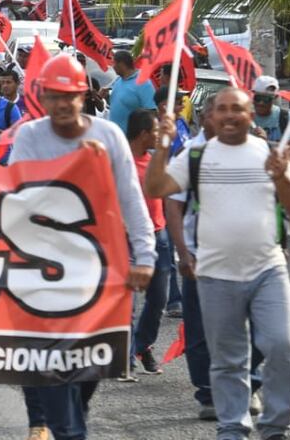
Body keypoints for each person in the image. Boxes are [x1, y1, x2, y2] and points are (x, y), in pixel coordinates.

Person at [147, 88, 290, 440]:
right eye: (223, 109)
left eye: (238, 108)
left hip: (268, 269)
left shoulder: (271, 154)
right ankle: (232, 427)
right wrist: (162, 146)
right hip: (215, 273)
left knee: (282, 345)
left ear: (251, 115)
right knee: (227, 357)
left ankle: (275, 428)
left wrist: (282, 177)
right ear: (210, 116)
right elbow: (157, 187)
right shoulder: (196, 156)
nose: (230, 115)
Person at [10, 55, 156, 440]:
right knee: (53, 370)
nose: (61, 104)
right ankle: (65, 428)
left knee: (90, 365)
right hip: (44, 271)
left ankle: (73, 415)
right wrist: (77, 166)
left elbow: (131, 199)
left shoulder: (109, 136)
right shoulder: (29, 137)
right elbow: (18, 200)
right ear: (42, 97)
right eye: (53, 96)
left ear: (83, 96)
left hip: (99, 270)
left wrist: (145, 256)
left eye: (69, 96)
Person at [125, 108, 169, 378]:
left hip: (159, 236)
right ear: (143, 134)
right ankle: (126, 357)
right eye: (155, 131)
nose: (158, 135)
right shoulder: (120, 162)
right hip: (127, 238)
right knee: (127, 303)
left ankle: (142, 346)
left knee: (159, 299)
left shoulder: (155, 160)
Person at [251, 76, 290, 166]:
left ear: (275, 97)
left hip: (278, 172)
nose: (261, 103)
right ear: (253, 95)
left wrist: (268, 144)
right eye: (258, 98)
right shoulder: (245, 118)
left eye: (266, 99)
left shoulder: (286, 118)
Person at [106, 50, 155, 135]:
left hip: (132, 139)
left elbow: (152, 112)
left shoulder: (143, 82)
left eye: (114, 63)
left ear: (121, 64)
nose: (112, 67)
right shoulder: (118, 81)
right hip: (115, 136)